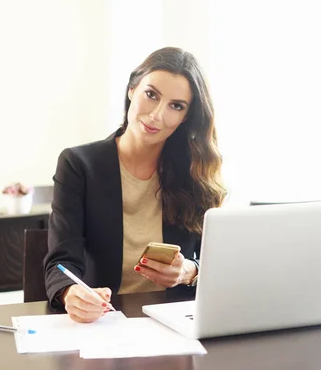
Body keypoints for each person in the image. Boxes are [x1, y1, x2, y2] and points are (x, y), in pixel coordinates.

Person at [43, 47, 226, 323]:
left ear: (185, 117)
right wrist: (71, 293)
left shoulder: (195, 171)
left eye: (176, 106)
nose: (157, 116)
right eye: (151, 95)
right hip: (107, 320)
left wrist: (189, 272)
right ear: (132, 89)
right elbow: (61, 262)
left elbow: (220, 264)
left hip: (176, 321)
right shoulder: (79, 164)